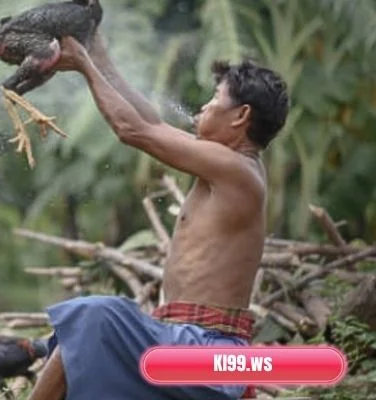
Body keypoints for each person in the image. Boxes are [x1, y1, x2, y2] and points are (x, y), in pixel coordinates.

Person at [26, 32, 290, 400]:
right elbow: (150, 120)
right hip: (182, 341)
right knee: (85, 330)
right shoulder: (226, 164)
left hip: (205, 353)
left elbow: (134, 129)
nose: (203, 107)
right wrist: (96, 51)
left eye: (215, 99)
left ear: (241, 116)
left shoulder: (236, 168)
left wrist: (84, 65)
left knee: (93, 316)